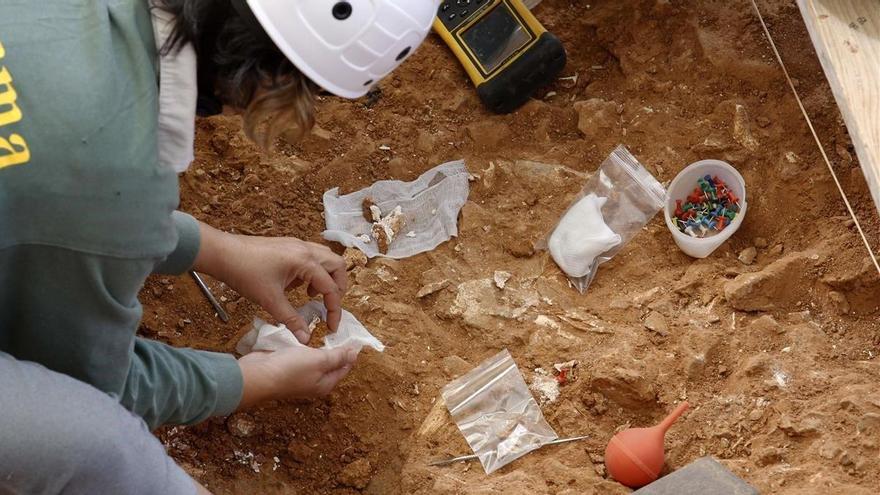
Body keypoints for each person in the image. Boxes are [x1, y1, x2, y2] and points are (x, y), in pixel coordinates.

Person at [0, 0, 435, 437]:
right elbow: (77, 395)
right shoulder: (110, 168)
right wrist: (248, 381)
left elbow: (63, 210)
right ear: (275, 79)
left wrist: (221, 251)